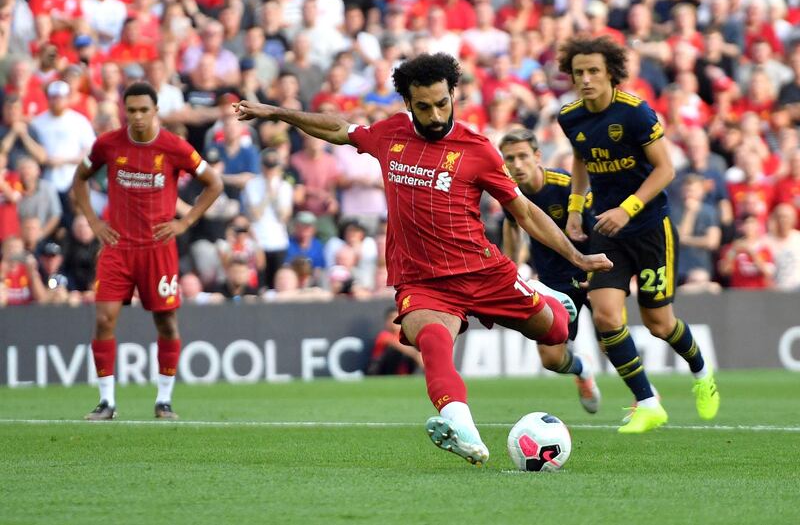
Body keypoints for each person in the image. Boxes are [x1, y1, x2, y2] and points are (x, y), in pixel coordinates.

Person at [234, 52, 612, 466]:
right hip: (423, 280)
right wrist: (276, 112)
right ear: (408, 103)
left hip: (483, 271)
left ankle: (558, 322)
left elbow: (523, 211)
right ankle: (463, 429)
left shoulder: (479, 150)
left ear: (454, 93)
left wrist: (575, 255)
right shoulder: (390, 134)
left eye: (442, 103)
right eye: (423, 107)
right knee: (431, 340)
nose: (435, 115)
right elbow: (339, 128)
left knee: (556, 331)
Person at [557, 36, 720, 434]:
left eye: (593, 71)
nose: (586, 79)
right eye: (579, 72)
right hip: (607, 231)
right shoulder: (570, 117)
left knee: (660, 324)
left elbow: (666, 170)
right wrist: (576, 209)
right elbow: (581, 159)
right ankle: (648, 402)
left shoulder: (636, 113)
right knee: (608, 316)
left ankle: (702, 371)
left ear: (611, 72)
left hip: (649, 228)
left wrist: (627, 208)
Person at [71, 82, 223, 421]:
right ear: (125, 111)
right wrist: (95, 223)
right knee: (103, 320)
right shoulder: (108, 144)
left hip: (158, 249)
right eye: (132, 110)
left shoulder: (174, 147)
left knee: (166, 323)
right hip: (117, 247)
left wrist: (185, 223)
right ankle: (106, 402)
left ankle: (164, 401)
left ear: (155, 111)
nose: (137, 117)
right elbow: (78, 179)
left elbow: (215, 184)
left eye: (144, 110)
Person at [498, 129, 600, 414]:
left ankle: (644, 400)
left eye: (522, 157)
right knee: (551, 359)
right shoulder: (510, 192)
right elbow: (512, 224)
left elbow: (596, 227)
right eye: (510, 159)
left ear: (537, 157)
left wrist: (598, 274)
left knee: (611, 341)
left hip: (591, 272)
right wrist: (510, 268)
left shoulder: (565, 186)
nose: (517, 164)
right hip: (554, 281)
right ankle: (581, 369)